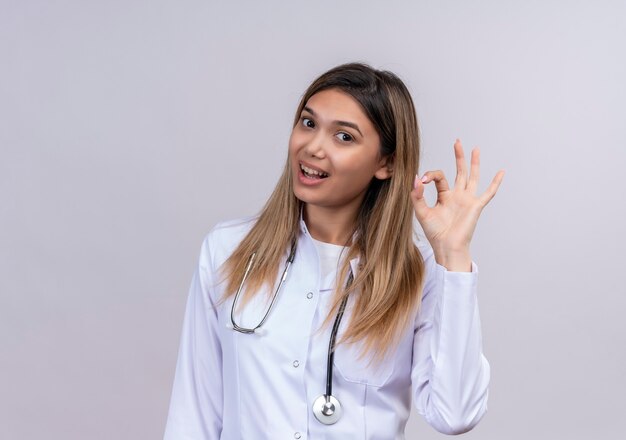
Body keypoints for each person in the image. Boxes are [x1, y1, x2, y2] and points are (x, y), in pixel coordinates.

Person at [163, 62, 505, 439]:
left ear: (386, 163)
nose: (313, 147)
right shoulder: (228, 250)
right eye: (308, 123)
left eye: (344, 137)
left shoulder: (418, 274)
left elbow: (454, 413)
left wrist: (453, 257)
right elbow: (193, 416)